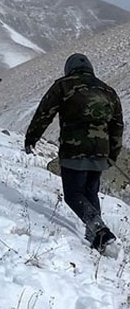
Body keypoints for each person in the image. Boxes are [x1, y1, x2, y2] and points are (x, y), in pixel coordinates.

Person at [24, 53, 123, 252]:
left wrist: (31, 137)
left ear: (69, 69)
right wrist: (112, 153)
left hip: (74, 149)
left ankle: (100, 231)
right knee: (90, 192)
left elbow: (45, 113)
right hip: (100, 151)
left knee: (73, 194)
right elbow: (117, 125)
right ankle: (95, 238)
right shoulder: (108, 90)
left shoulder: (63, 85)